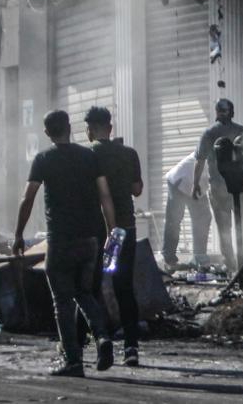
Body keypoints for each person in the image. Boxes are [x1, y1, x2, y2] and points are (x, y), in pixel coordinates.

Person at [13, 110, 117, 377]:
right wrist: (111, 231)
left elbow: (27, 199)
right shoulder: (89, 156)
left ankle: (73, 361)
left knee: (62, 301)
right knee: (84, 293)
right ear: (70, 128)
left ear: (47, 133)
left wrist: (18, 235)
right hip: (89, 240)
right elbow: (105, 195)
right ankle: (103, 337)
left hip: (60, 240)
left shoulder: (43, 159)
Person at [84, 106, 144, 367]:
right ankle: (131, 348)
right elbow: (137, 189)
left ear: (89, 130)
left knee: (92, 287)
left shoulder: (88, 156)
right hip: (125, 229)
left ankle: (97, 341)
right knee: (124, 288)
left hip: (97, 231)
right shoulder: (129, 153)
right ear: (110, 127)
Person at [193, 98, 243, 273]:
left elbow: (200, 161)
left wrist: (195, 184)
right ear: (232, 113)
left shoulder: (209, 133)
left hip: (219, 188)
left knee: (224, 227)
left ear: (217, 112)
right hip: (242, 187)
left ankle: (231, 264)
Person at [161, 151, 214, 269]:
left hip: (195, 183)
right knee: (174, 220)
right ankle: (169, 260)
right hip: (180, 181)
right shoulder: (212, 151)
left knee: (204, 217)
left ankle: (199, 257)